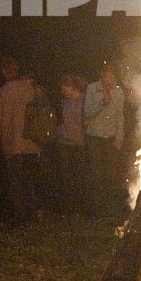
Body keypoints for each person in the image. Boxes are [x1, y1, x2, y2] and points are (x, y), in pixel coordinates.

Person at [0, 56, 42, 225]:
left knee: (15, 183)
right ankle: (31, 214)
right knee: (28, 181)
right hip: (32, 144)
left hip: (13, 145)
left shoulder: (2, 93)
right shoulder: (32, 89)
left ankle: (20, 217)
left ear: (4, 72)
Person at [82, 63, 126, 215]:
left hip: (110, 138)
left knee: (112, 174)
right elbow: (87, 112)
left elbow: (120, 116)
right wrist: (102, 102)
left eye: (113, 76)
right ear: (102, 75)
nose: (111, 79)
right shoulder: (92, 89)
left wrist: (119, 137)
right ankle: (96, 209)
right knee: (96, 174)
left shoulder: (119, 92)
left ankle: (110, 209)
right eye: (108, 75)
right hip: (94, 137)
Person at [53, 73, 89, 214]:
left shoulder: (84, 100)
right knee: (65, 177)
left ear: (72, 87)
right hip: (64, 143)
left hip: (79, 144)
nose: (62, 92)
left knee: (78, 176)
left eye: (64, 89)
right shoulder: (64, 102)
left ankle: (79, 207)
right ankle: (67, 207)